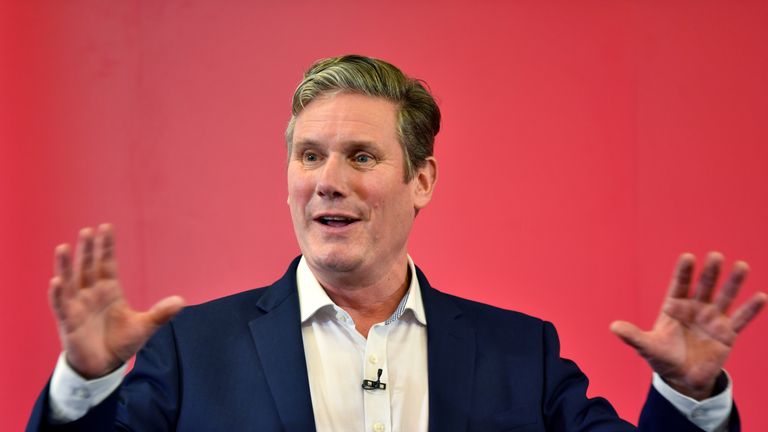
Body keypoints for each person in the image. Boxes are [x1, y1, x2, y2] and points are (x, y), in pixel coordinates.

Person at [27, 55, 766, 431]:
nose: (327, 182)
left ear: (422, 180)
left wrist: (689, 396)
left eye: (362, 156)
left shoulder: (519, 355)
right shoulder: (191, 350)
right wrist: (83, 386)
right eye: (309, 156)